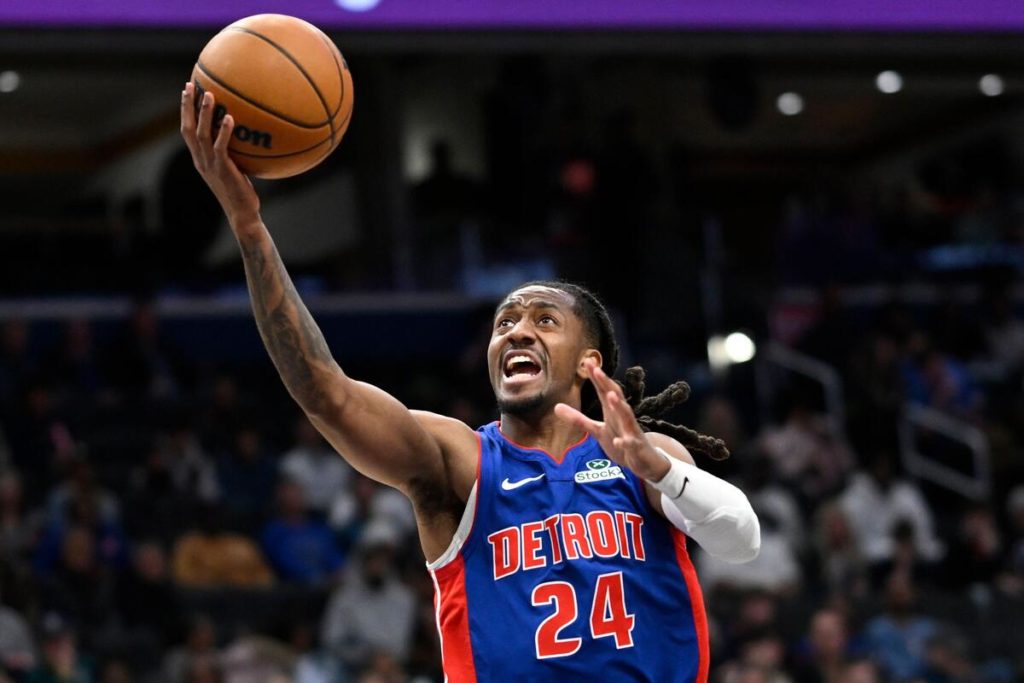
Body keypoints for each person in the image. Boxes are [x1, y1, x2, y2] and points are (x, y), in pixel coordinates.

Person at [181, 84, 760, 682]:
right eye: (504, 323)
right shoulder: (460, 461)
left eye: (544, 320)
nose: (517, 331)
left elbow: (741, 541)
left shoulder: (646, 460)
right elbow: (324, 392)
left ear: (588, 361)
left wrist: (660, 470)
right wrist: (250, 229)